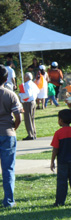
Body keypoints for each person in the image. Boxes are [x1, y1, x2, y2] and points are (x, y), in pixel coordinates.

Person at [50, 109, 71, 206]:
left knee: (61, 182)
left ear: (60, 120)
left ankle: (60, 202)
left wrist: (52, 161)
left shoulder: (58, 133)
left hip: (62, 162)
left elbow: (55, 149)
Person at [0, 64, 22, 207]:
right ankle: (9, 200)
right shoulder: (10, 94)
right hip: (7, 133)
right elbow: (18, 116)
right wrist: (13, 128)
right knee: (8, 169)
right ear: (6, 78)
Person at [19, 72, 40, 140]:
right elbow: (38, 91)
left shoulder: (27, 84)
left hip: (28, 102)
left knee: (28, 119)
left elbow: (28, 94)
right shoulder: (33, 83)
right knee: (32, 118)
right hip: (33, 101)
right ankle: (34, 133)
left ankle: (30, 134)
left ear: (27, 77)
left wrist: (20, 95)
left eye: (25, 76)